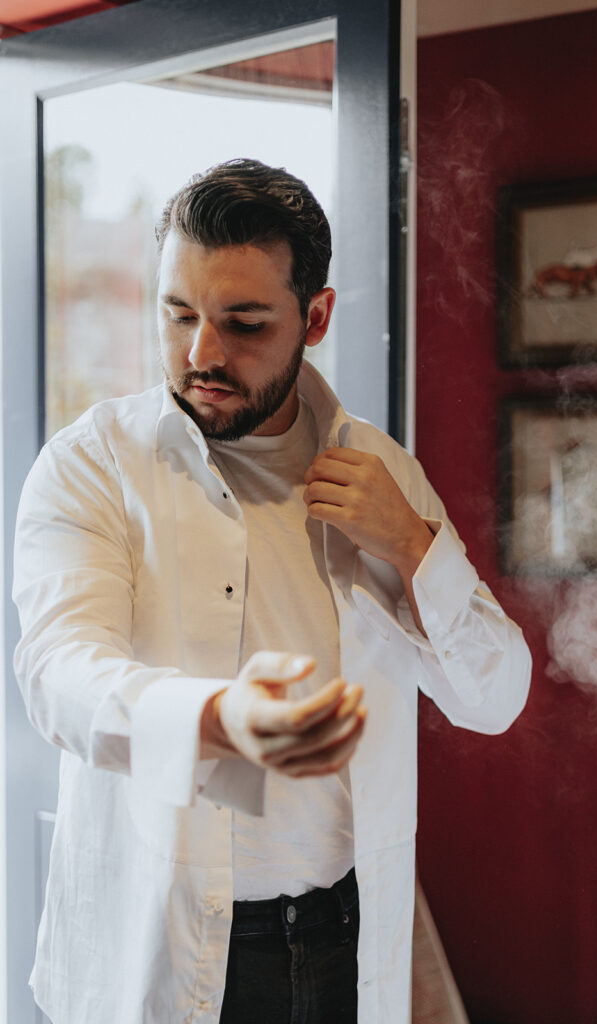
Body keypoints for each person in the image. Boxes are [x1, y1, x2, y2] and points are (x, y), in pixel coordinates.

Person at [13, 158, 531, 1024]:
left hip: (345, 939)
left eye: (243, 323)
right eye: (178, 314)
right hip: (170, 955)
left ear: (315, 317)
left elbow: (494, 696)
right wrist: (218, 718)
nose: (201, 354)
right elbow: (59, 676)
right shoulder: (92, 464)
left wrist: (411, 544)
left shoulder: (381, 472)